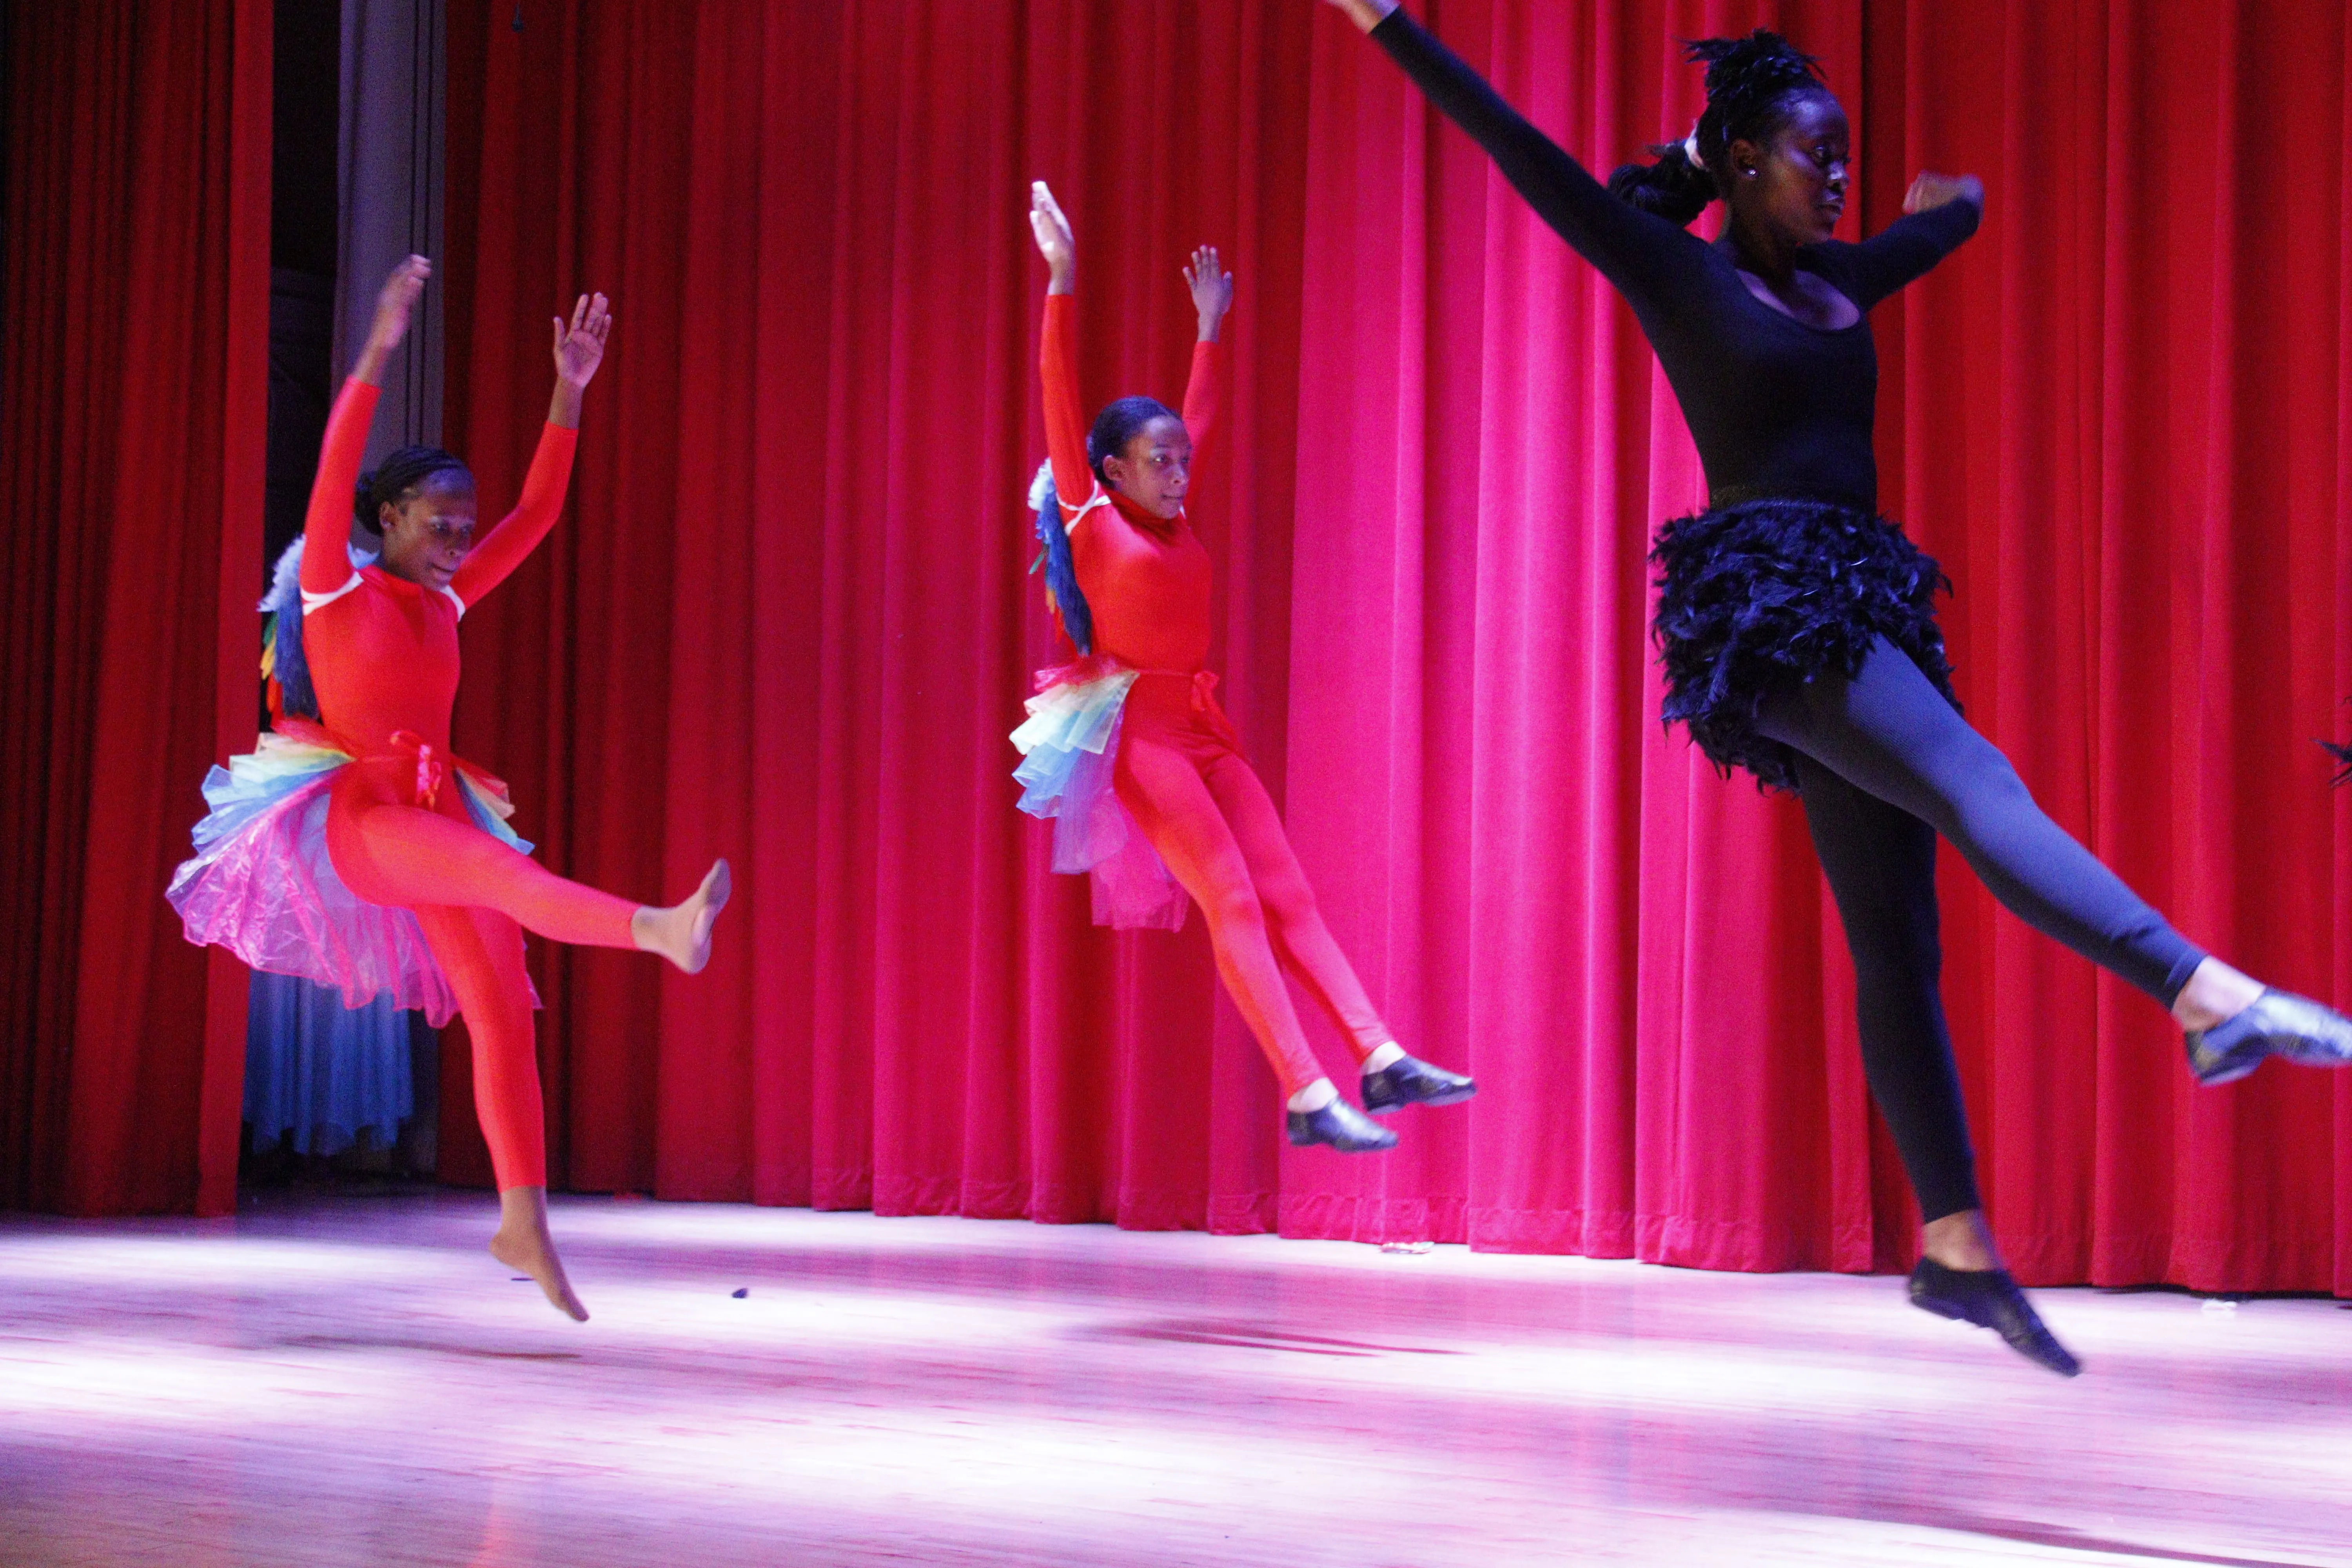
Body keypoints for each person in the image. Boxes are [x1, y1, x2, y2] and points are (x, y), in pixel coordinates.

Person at [1324, 0, 2352, 1373]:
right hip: (1772, 614)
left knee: (1898, 940)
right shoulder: (1677, 273)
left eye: (1848, 155)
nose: (1841, 175)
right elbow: (1520, 151)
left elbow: (1928, 236)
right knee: (1981, 786)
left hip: (1862, 603)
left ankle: (1953, 1245)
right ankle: (2202, 994)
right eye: (1819, 152)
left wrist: (1957, 208)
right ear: (1742, 161)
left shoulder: (1835, 284)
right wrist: (1387, 21)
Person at [172, 256, 730, 1321]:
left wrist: (571, 388)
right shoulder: (339, 587)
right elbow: (335, 466)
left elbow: (539, 511)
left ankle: (522, 1221)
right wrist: (378, 347)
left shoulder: (449, 601)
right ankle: (658, 927)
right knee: (496, 872)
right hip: (361, 819)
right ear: (386, 519)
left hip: (434, 805)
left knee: (501, 1010)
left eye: (464, 527)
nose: (460, 541)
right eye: (440, 523)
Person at [1016, 181, 1476, 1154]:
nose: (1182, 471)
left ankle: (1378, 1054)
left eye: (1183, 459)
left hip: (1203, 723)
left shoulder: (1173, 518)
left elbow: (1203, 414)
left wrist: (1211, 327)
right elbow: (1059, 390)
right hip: (1140, 733)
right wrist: (1060, 282)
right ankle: (1306, 1092)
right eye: (1161, 460)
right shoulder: (1088, 514)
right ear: (1109, 470)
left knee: (1287, 889)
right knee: (1227, 894)